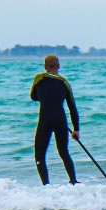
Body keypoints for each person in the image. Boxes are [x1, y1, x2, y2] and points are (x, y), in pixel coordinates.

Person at [29, 54, 80, 184]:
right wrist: (76, 129)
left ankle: (46, 185)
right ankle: (73, 182)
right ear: (58, 66)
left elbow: (34, 97)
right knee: (64, 152)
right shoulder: (64, 83)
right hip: (60, 120)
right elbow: (72, 107)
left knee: (40, 155)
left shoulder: (38, 79)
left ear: (45, 66)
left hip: (45, 120)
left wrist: (46, 97)